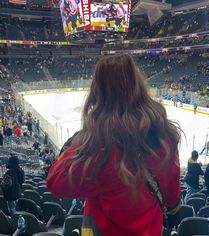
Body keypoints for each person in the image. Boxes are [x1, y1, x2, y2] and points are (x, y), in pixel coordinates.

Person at [47, 54, 181, 236]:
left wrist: (81, 138)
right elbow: (171, 198)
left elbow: (56, 182)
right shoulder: (165, 137)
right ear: (138, 84)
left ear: (97, 92)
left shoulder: (97, 149)